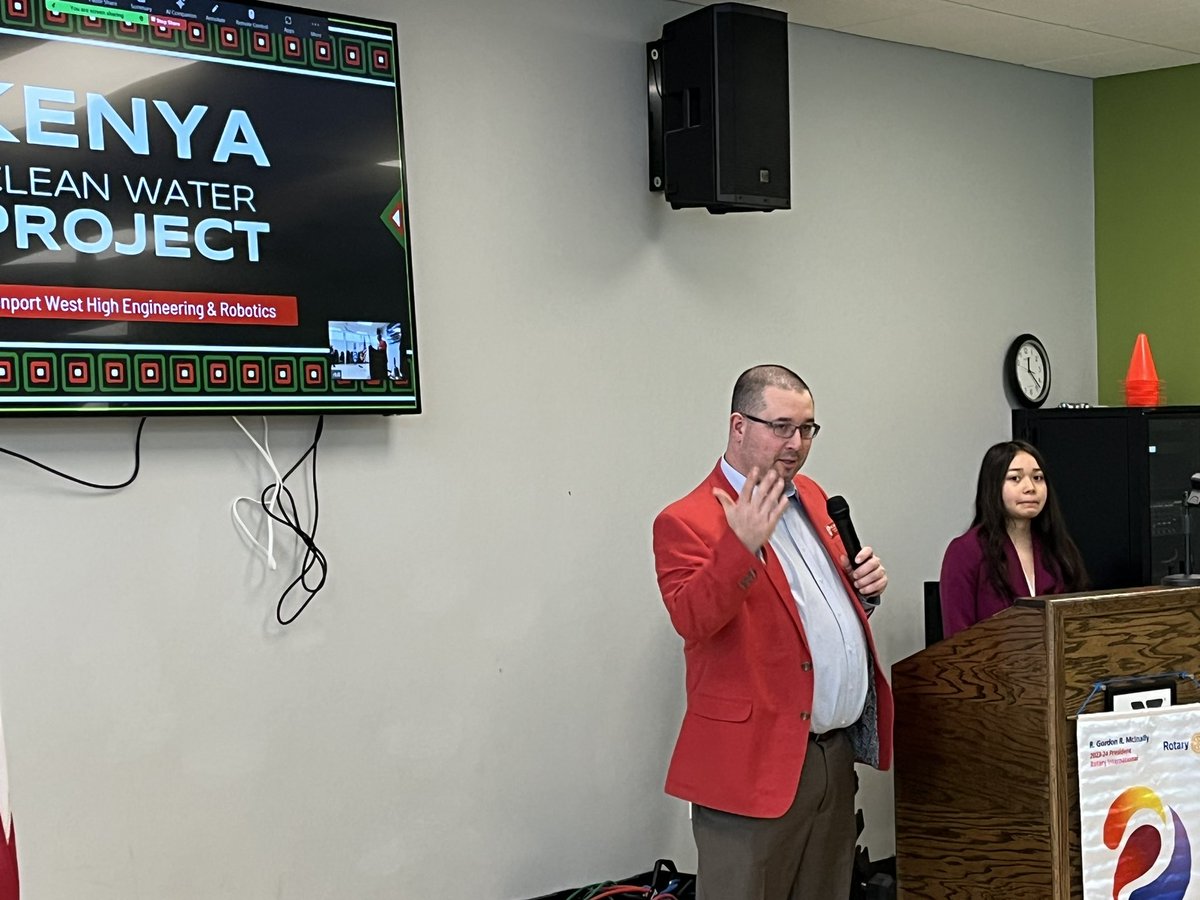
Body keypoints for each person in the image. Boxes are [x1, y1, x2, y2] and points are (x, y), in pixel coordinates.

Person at [652, 364, 893, 900]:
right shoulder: (686, 520)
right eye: (781, 427)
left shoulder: (808, 494)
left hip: (830, 756)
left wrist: (863, 593)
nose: (797, 443)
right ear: (739, 426)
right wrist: (738, 545)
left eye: (807, 428)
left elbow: (807, 618)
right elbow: (692, 620)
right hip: (752, 765)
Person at [939, 439, 1087, 639]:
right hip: (990, 666)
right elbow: (957, 637)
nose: (1030, 487)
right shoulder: (966, 551)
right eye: (1015, 478)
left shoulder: (1057, 547)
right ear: (993, 485)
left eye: (1038, 477)